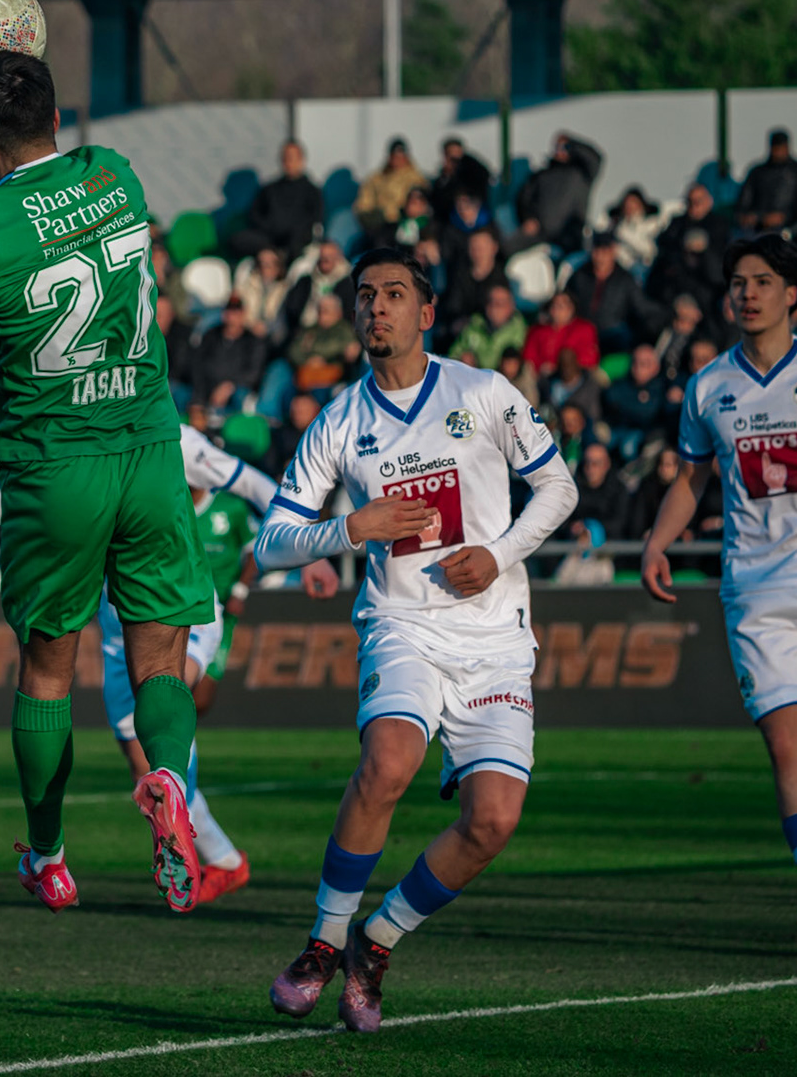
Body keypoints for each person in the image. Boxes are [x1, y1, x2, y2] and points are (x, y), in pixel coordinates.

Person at [0, 47, 216, 915]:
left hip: (54, 464)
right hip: (149, 449)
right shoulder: (114, 174)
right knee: (162, 657)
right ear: (57, 120)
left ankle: (49, 854)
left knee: (48, 667)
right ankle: (172, 791)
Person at [257, 248, 576, 1033]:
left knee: (494, 818)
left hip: (495, 635)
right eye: (365, 296)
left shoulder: (481, 390)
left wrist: (497, 555)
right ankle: (324, 943)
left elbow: (559, 487)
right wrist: (348, 528)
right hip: (400, 625)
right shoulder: (339, 421)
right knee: (390, 760)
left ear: (425, 313)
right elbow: (271, 541)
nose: (378, 308)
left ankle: (378, 939)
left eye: (394, 294)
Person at [640, 233, 797, 946]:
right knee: (789, 752)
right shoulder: (708, 385)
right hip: (754, 588)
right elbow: (691, 479)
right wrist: (658, 542)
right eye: (737, 282)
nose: (746, 293)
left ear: (792, 295)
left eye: (761, 281)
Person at [99, 425, 338, 902]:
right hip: (112, 619)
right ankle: (224, 860)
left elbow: (253, 483)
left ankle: (182, 837)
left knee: (168, 688)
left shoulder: (173, 436)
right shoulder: (80, 423)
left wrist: (307, 546)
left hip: (177, 604)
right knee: (144, 766)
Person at [235, 141, 324, 260]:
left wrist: (291, 229)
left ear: (301, 160)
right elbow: (254, 215)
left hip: (296, 239)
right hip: (269, 238)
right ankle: (273, 255)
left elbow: (315, 220)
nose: (288, 162)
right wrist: (271, 228)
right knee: (239, 239)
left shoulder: (312, 191)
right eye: (284, 158)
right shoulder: (269, 189)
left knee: (297, 242)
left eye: (292, 158)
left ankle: (283, 263)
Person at [735, 130, 797, 239]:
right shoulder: (757, 172)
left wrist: (785, 217)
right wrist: (752, 217)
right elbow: (744, 200)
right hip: (757, 228)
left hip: (790, 228)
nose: (778, 152)